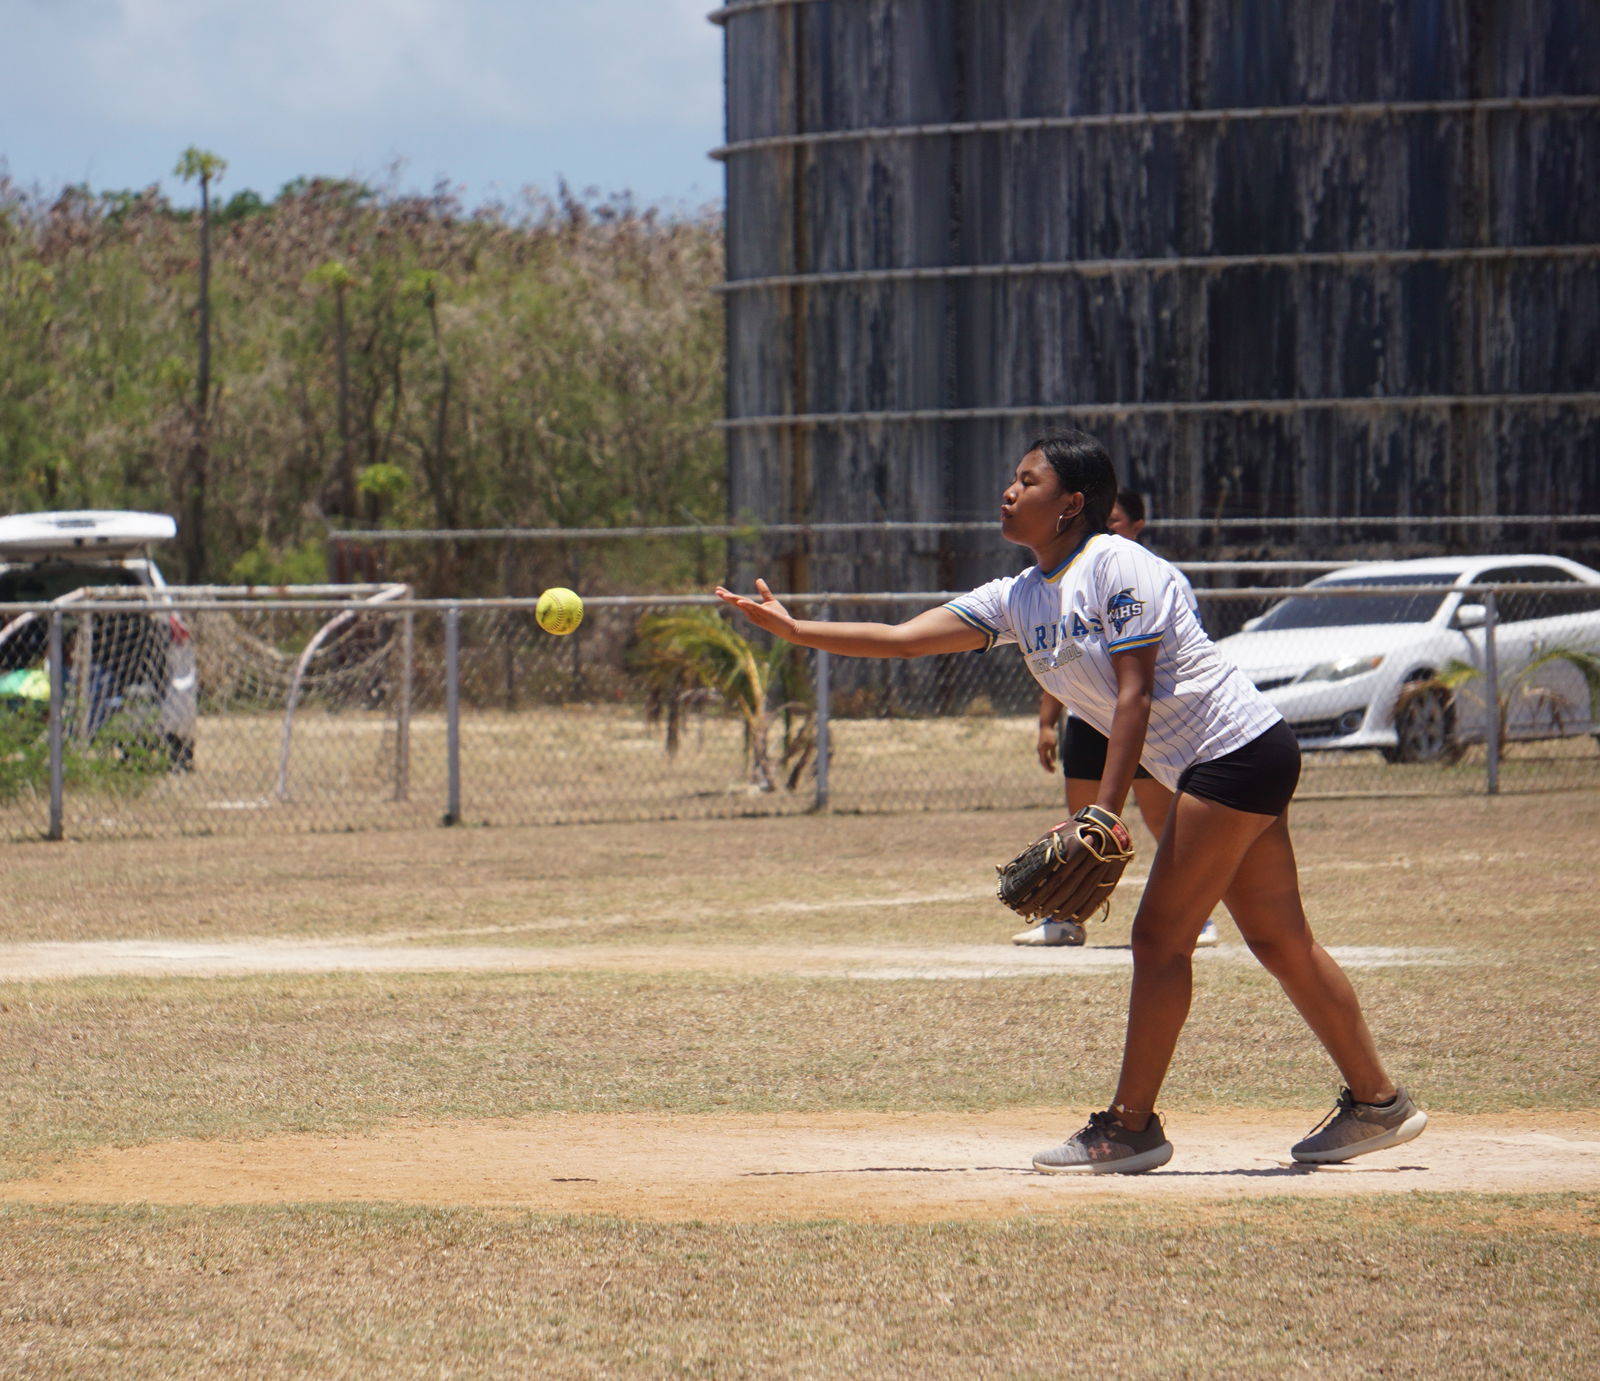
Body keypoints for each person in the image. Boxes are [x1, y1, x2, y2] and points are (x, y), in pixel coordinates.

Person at [715, 429, 1426, 1173]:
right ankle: (1379, 1101)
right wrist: (797, 630)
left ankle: (1130, 1127)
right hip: (1222, 763)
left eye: (1028, 481)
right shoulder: (1018, 596)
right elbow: (900, 640)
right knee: (1280, 940)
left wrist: (1105, 811)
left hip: (1235, 753)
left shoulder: (1117, 565)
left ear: (1072, 505)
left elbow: (1136, 691)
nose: (1009, 491)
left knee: (1158, 940)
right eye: (1012, 479)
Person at [1023, 489, 1220, 949]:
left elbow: (1173, 655)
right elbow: (1058, 656)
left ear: (1137, 525)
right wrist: (1047, 721)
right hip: (1089, 718)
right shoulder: (1070, 579)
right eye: (1102, 521)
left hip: (1141, 718)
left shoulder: (1158, 575)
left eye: (1114, 521)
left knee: (1161, 821)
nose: (1106, 529)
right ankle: (1065, 917)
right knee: (1083, 821)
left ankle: (1197, 916)